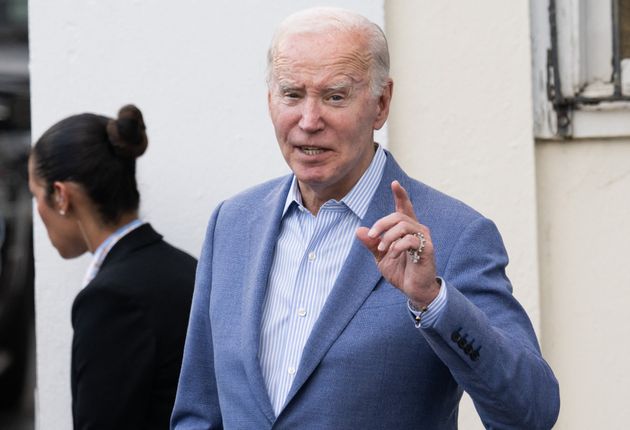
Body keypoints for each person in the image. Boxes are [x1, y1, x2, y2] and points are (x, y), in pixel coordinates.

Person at [172, 7, 560, 429]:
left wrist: (433, 301)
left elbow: (531, 412)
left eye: (335, 96)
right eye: (292, 94)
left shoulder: (454, 235)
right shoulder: (232, 224)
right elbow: (199, 411)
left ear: (381, 103)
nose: (308, 121)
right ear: (270, 100)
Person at [29, 105, 197, 429]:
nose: (37, 210)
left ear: (61, 196)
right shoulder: (187, 268)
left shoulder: (110, 299)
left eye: (36, 195)